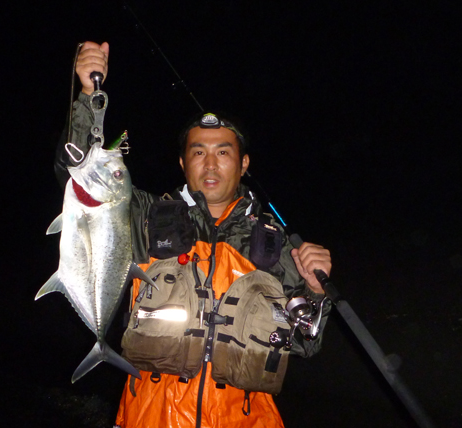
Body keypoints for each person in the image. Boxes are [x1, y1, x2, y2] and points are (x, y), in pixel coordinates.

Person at [54, 41, 332, 428]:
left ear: (244, 163)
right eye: (199, 152)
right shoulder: (146, 216)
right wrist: (89, 97)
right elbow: (82, 177)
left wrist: (316, 293)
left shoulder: (275, 244)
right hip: (152, 418)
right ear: (184, 163)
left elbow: (304, 344)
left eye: (223, 152)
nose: (211, 164)